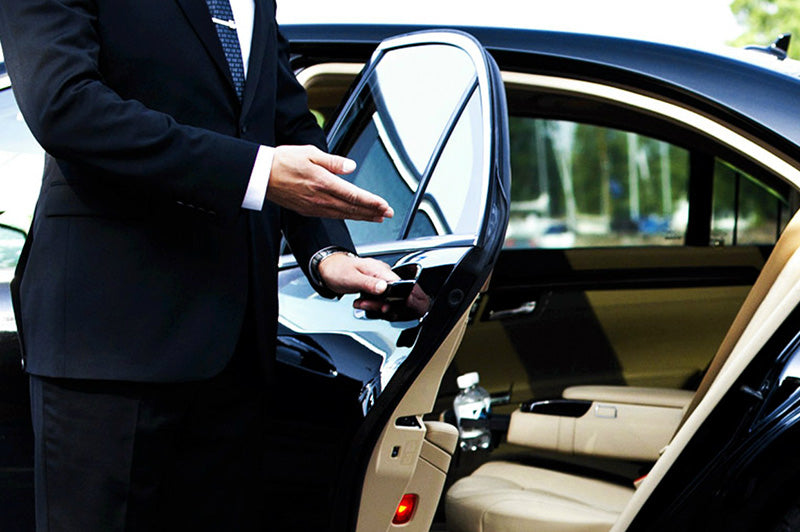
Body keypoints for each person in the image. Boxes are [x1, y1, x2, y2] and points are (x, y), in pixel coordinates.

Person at [0, 0, 399, 530]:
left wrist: (328, 251)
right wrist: (256, 172)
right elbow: (64, 106)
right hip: (111, 344)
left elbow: (283, 118)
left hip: (238, 347)